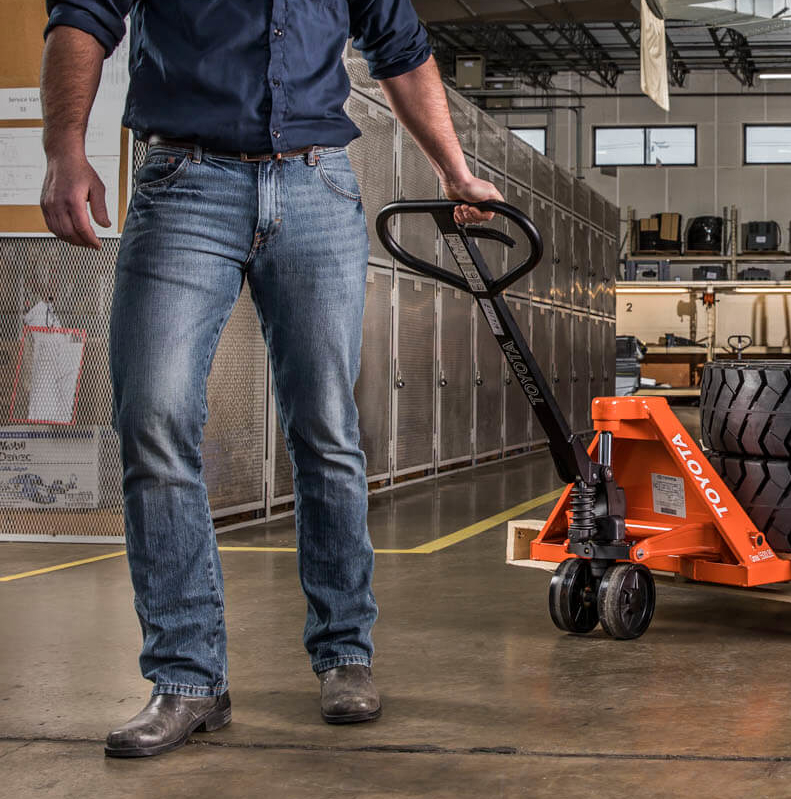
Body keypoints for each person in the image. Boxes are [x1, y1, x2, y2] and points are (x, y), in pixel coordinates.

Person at [40, 0, 500, 758]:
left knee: (325, 427)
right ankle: (188, 677)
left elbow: (402, 50)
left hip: (317, 189)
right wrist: (65, 149)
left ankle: (345, 653)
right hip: (184, 182)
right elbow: (82, 18)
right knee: (152, 416)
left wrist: (456, 171)